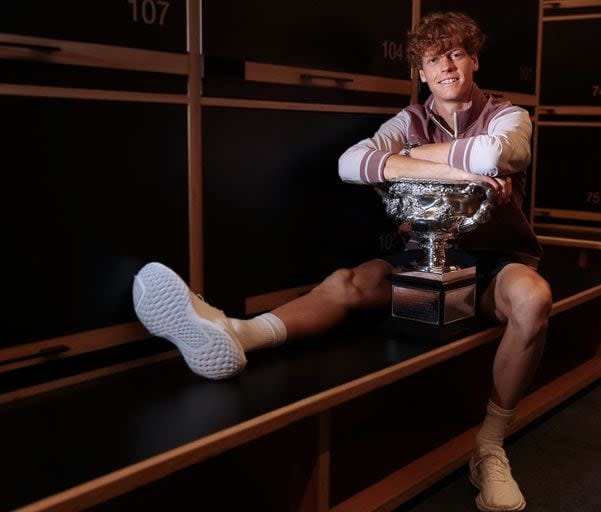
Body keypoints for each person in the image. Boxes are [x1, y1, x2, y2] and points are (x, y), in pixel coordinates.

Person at [133, 12, 551, 512]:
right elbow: (350, 163)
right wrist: (446, 159)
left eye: (456, 53)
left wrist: (416, 159)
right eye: (433, 58)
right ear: (420, 72)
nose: (446, 66)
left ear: (474, 60)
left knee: (533, 299)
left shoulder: (510, 115)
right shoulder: (409, 121)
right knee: (349, 282)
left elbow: (498, 154)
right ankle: (237, 334)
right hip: (419, 255)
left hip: (493, 260)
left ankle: (489, 445)